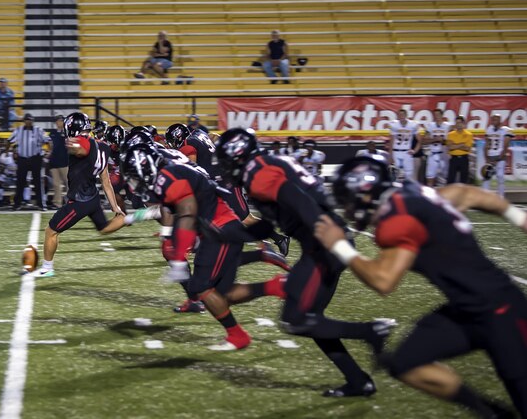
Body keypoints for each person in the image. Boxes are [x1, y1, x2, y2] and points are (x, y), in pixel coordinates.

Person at [321, 157, 527, 418]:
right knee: (406, 361)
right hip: (465, 309)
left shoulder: (397, 220)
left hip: (502, 310)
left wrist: (339, 246)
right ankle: (493, 413)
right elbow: (466, 193)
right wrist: (519, 217)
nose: (347, 210)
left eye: (347, 201)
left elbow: (384, 281)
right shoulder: (417, 193)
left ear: (364, 195)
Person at [215, 128, 393, 397]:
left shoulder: (258, 174)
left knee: (295, 320)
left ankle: (370, 331)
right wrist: (225, 235)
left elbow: (299, 200)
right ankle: (358, 381)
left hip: (323, 244)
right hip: (323, 241)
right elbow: (271, 223)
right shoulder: (267, 164)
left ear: (236, 156)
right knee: (311, 319)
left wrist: (328, 240)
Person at [122, 143, 288, 349]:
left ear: (145, 168)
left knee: (200, 287)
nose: (133, 182)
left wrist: (179, 257)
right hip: (218, 228)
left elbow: (188, 213)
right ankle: (277, 286)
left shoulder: (169, 178)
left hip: (219, 232)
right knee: (221, 296)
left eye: (133, 175)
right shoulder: (169, 174)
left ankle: (238, 336)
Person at [32, 113, 128, 277]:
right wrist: (115, 207)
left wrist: (73, 146)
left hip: (79, 201)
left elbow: (82, 148)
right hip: (93, 197)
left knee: (51, 230)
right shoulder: (103, 147)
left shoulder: (83, 142)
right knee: (104, 228)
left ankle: (47, 268)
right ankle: (137, 216)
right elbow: (106, 181)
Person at [9, 114, 47, 211]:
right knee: (20, 182)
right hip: (22, 158)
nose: (28, 122)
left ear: (33, 120)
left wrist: (49, 152)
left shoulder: (38, 130)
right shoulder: (18, 130)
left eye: (30, 120)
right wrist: (11, 152)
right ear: (24, 121)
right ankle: (17, 204)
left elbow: (48, 140)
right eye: (27, 120)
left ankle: (41, 204)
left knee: (37, 182)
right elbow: (9, 140)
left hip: (35, 158)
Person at [483, 113, 513, 197]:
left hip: (500, 157)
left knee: (500, 177)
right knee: (486, 177)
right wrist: (487, 158)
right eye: (492, 119)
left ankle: (501, 198)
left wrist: (499, 159)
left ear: (500, 120)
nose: (493, 121)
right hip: (490, 156)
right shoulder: (489, 129)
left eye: (495, 119)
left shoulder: (506, 130)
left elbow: (505, 146)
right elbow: (486, 145)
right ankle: (484, 199)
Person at [388, 108, 421, 181]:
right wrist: (390, 154)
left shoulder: (413, 125)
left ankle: (407, 190)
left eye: (403, 114)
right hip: (396, 151)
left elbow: (419, 140)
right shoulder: (394, 124)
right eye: (399, 115)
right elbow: (392, 140)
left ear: (406, 115)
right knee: (396, 173)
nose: (401, 116)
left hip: (407, 152)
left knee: (409, 173)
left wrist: (414, 151)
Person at [423, 108, 451, 187]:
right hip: (433, 153)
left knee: (446, 177)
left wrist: (443, 141)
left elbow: (451, 141)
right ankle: (430, 197)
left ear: (442, 115)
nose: (437, 116)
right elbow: (424, 140)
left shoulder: (448, 126)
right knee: (430, 177)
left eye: (438, 115)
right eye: (435, 115)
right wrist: (435, 139)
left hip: (444, 154)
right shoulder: (430, 126)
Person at [47, 114, 69, 209]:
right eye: (57, 120)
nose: (59, 122)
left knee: (68, 183)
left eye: (60, 120)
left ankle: (70, 201)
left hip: (65, 161)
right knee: (56, 184)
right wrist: (49, 153)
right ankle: (57, 203)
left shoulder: (68, 133)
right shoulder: (52, 133)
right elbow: (49, 144)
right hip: (54, 161)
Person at [446, 116, 474, 185]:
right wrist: (461, 145)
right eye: (457, 123)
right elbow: (450, 147)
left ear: (463, 123)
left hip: (464, 159)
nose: (458, 124)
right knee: (451, 180)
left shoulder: (469, 134)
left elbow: (467, 148)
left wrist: (455, 145)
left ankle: (463, 196)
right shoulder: (450, 134)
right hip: (454, 159)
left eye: (460, 122)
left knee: (463, 180)